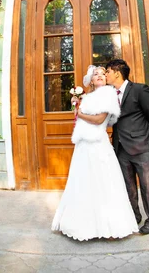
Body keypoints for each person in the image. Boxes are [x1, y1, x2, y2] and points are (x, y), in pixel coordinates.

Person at [51, 65, 139, 241]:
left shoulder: (109, 94)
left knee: (103, 181)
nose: (99, 76)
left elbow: (99, 119)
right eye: (95, 74)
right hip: (83, 145)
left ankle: (109, 227)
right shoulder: (87, 97)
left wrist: (80, 114)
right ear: (91, 80)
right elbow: (81, 117)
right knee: (82, 182)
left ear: (106, 79)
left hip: (98, 144)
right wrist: (77, 106)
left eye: (102, 74)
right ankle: (80, 225)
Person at [105, 59, 149, 235]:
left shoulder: (139, 89)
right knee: (128, 186)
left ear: (116, 72)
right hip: (121, 148)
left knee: (147, 185)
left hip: (142, 147)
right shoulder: (110, 94)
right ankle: (134, 216)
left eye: (107, 71)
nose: (106, 75)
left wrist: (145, 136)